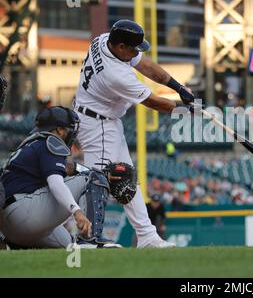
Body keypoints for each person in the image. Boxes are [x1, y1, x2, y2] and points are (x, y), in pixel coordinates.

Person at [73, 19, 195, 248]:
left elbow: (146, 65)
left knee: (128, 180)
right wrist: (185, 109)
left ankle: (146, 236)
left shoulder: (103, 40)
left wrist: (178, 88)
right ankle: (87, 239)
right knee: (97, 181)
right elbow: (151, 101)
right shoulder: (116, 74)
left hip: (104, 119)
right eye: (133, 48)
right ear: (120, 47)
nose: (136, 53)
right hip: (96, 123)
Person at [0, 106, 117, 249]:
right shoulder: (52, 141)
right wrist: (77, 211)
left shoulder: (31, 144)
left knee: (71, 249)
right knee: (94, 178)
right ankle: (91, 238)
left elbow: (68, 168)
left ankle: (18, 246)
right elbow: (55, 183)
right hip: (25, 212)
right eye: (69, 129)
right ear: (59, 130)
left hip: (9, 226)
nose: (72, 134)